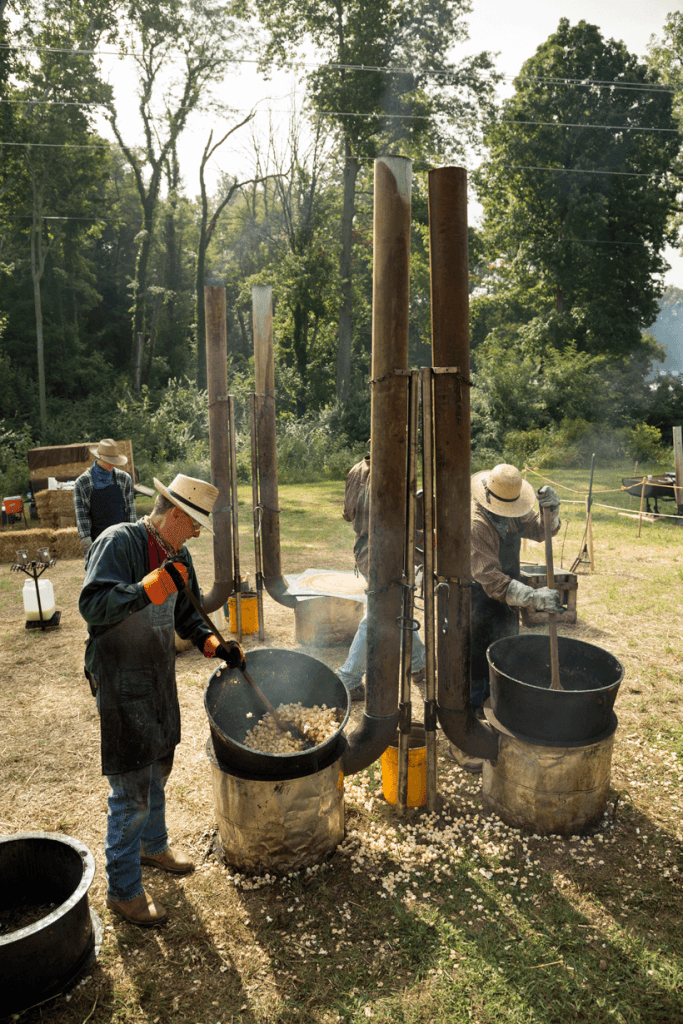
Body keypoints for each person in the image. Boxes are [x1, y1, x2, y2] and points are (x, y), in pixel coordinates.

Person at [79, 474, 245, 928]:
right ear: (175, 515)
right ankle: (124, 890)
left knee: (159, 762)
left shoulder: (179, 554)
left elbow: (189, 615)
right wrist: (148, 587)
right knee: (131, 785)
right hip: (118, 672)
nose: (195, 534)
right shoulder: (118, 541)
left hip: (156, 670)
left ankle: (154, 846)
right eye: (193, 525)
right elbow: (93, 607)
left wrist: (216, 646)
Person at [447, 464, 562, 773]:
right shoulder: (476, 524)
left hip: (505, 597)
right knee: (473, 663)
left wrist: (551, 511)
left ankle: (490, 717)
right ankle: (463, 739)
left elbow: (540, 531)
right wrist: (535, 596)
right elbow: (492, 581)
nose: (508, 514)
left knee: (501, 657)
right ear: (488, 498)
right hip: (473, 594)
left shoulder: (511, 504)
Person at [336, 449, 425, 700]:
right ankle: (349, 678)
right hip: (382, 552)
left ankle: (419, 664)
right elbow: (396, 527)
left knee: (398, 603)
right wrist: (428, 539)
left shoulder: (355, 470)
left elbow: (347, 514)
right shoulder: (391, 475)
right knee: (378, 613)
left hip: (364, 549)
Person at [74, 439, 138, 560]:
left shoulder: (124, 479)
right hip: (98, 543)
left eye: (114, 461)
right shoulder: (83, 482)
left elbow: (130, 512)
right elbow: (82, 518)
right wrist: (90, 550)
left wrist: (132, 541)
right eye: (108, 461)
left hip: (122, 542)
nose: (111, 464)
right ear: (98, 457)